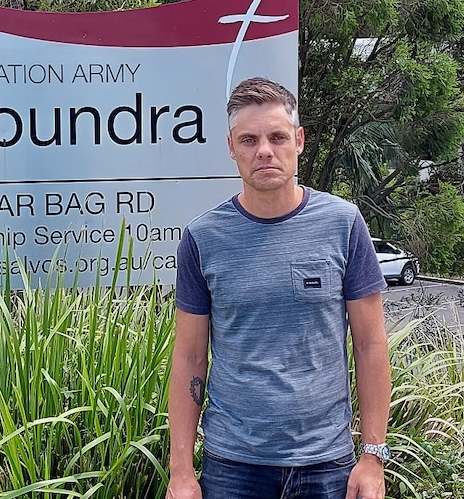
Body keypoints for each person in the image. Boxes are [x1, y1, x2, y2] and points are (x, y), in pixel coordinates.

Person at [167, 76, 391, 499]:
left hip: (327, 465)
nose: (264, 151)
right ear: (231, 147)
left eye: (277, 137)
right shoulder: (203, 238)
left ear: (299, 140)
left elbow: (370, 343)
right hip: (234, 466)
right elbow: (190, 357)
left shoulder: (343, 224)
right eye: (249, 140)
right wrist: (181, 471)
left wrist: (372, 457)